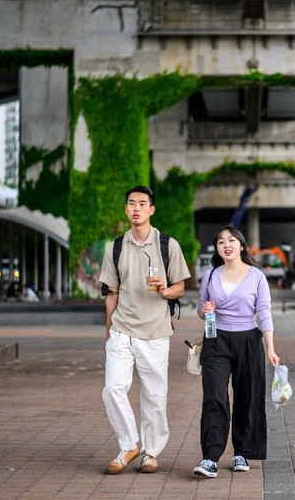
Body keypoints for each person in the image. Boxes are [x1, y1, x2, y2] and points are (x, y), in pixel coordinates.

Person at [98, 185, 191, 475]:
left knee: (154, 395)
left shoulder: (167, 245)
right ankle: (129, 446)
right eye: (131, 203)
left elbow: (181, 287)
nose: (136, 208)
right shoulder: (115, 247)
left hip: (155, 331)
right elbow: (111, 291)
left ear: (151, 210)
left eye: (142, 203)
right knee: (112, 389)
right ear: (126, 210)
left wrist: (166, 292)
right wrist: (109, 327)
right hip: (122, 329)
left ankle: (151, 452)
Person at [194, 226, 280, 478]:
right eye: (221, 241)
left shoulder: (256, 276)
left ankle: (241, 451)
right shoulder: (210, 275)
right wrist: (206, 310)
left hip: (248, 341)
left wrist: (270, 346)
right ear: (217, 248)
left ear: (242, 245)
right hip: (215, 340)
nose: (226, 245)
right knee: (214, 397)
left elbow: (264, 311)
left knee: (248, 397)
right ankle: (210, 457)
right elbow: (201, 308)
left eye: (231, 240)